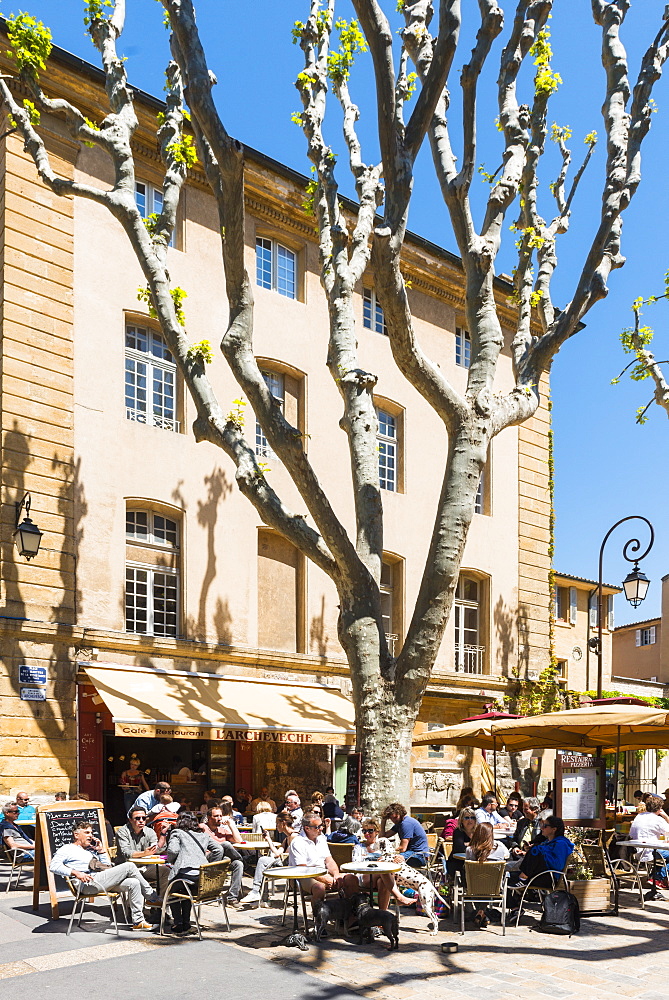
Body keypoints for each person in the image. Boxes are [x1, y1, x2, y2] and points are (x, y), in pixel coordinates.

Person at [50, 820, 160, 931]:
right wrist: (76, 873)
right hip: (87, 883)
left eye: (91, 833)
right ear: (76, 835)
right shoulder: (67, 849)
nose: (91, 836)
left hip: (100, 880)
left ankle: (138, 922)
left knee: (134, 883)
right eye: (87, 833)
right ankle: (153, 897)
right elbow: (53, 866)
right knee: (129, 866)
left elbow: (106, 866)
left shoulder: (89, 850)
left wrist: (101, 851)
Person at [165, 812, 224, 935]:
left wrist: (172, 861)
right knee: (186, 890)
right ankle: (185, 922)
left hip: (185, 875)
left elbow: (172, 850)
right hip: (201, 877)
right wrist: (207, 866)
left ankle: (178, 923)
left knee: (171, 889)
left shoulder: (177, 833)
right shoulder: (203, 835)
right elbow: (219, 849)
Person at [288, 810, 359, 904]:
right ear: (307, 828)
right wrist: (325, 879)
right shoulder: (298, 842)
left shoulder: (321, 838)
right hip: (303, 876)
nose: (321, 829)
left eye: (321, 825)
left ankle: (350, 914)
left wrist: (336, 875)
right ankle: (318, 917)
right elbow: (303, 868)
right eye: (317, 827)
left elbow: (329, 860)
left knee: (351, 879)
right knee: (319, 888)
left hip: (322, 872)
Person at [242, 810, 299, 907]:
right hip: (284, 862)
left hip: (291, 866)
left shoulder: (294, 836)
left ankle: (256, 892)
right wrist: (268, 839)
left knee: (263, 861)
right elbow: (277, 853)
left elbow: (292, 856)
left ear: (283, 823)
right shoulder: (287, 838)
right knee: (262, 864)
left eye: (277, 823)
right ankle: (263, 899)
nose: (276, 826)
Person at [116, 806, 169, 900]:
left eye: (143, 818)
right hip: (126, 869)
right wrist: (145, 853)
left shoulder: (149, 831)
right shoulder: (123, 831)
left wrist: (163, 834)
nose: (141, 821)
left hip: (145, 867)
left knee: (166, 871)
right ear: (130, 820)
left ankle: (159, 903)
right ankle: (149, 899)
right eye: (137, 818)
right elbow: (126, 852)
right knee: (135, 877)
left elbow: (158, 849)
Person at [510, 816, 574, 889]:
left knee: (536, 850)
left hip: (549, 878)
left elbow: (558, 865)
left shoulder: (561, 844)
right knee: (508, 876)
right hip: (539, 874)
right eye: (542, 825)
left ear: (554, 829)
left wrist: (541, 852)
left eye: (545, 826)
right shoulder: (547, 842)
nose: (541, 828)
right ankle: (522, 879)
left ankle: (523, 878)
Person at [465, 822, 509, 928]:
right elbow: (507, 855)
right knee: (487, 881)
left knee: (478, 879)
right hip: (495, 886)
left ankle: (479, 912)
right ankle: (481, 912)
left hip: (474, 887)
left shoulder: (470, 850)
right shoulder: (500, 846)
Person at [200, 804, 244, 905]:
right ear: (209, 817)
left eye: (220, 816)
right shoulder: (203, 827)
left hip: (223, 860)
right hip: (208, 859)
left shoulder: (222, 830)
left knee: (238, 864)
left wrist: (230, 824)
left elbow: (239, 840)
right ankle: (245, 862)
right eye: (216, 816)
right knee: (225, 844)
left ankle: (232, 897)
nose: (219, 818)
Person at [629, 793, 669, 888]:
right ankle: (658, 879)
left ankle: (654, 876)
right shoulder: (657, 819)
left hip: (638, 850)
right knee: (665, 854)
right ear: (660, 809)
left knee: (664, 855)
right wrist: (666, 816)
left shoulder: (639, 817)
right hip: (650, 851)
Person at [446, 806, 477, 879]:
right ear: (461, 820)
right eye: (466, 818)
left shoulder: (477, 831)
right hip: (457, 862)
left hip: (473, 860)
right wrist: (473, 845)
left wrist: (467, 844)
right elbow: (460, 848)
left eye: (472, 818)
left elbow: (483, 845)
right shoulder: (458, 832)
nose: (470, 820)